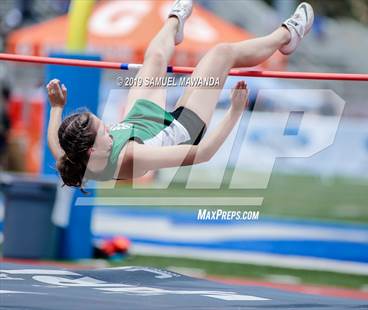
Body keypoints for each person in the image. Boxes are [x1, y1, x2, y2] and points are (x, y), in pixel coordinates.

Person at [46, 0, 314, 192]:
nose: (106, 126)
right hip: (182, 129)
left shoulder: (73, 157)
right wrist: (234, 113)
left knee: (155, 57)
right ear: (93, 148)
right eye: (102, 129)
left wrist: (57, 107)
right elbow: (203, 154)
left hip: (139, 121)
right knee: (221, 54)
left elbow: (53, 142)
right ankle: (286, 36)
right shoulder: (131, 156)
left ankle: (175, 20)